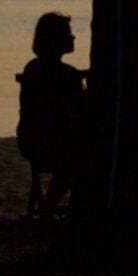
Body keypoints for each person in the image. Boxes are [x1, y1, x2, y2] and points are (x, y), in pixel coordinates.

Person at [17, 11, 86, 212]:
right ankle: (51, 204)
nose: (73, 37)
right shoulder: (67, 75)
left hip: (32, 140)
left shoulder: (32, 69)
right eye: (68, 33)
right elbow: (78, 110)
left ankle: (50, 204)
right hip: (53, 142)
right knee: (81, 154)